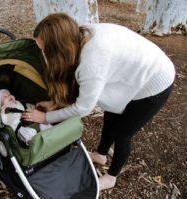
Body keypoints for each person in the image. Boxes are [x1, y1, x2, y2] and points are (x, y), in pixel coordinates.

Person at [22, 13, 175, 191]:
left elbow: (83, 108)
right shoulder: (79, 35)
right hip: (137, 71)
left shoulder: (92, 61)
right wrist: (54, 103)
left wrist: (46, 117)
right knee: (110, 117)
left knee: (123, 134)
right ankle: (100, 155)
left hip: (155, 83)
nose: (44, 55)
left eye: (46, 51)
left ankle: (111, 177)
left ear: (60, 48)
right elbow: (78, 86)